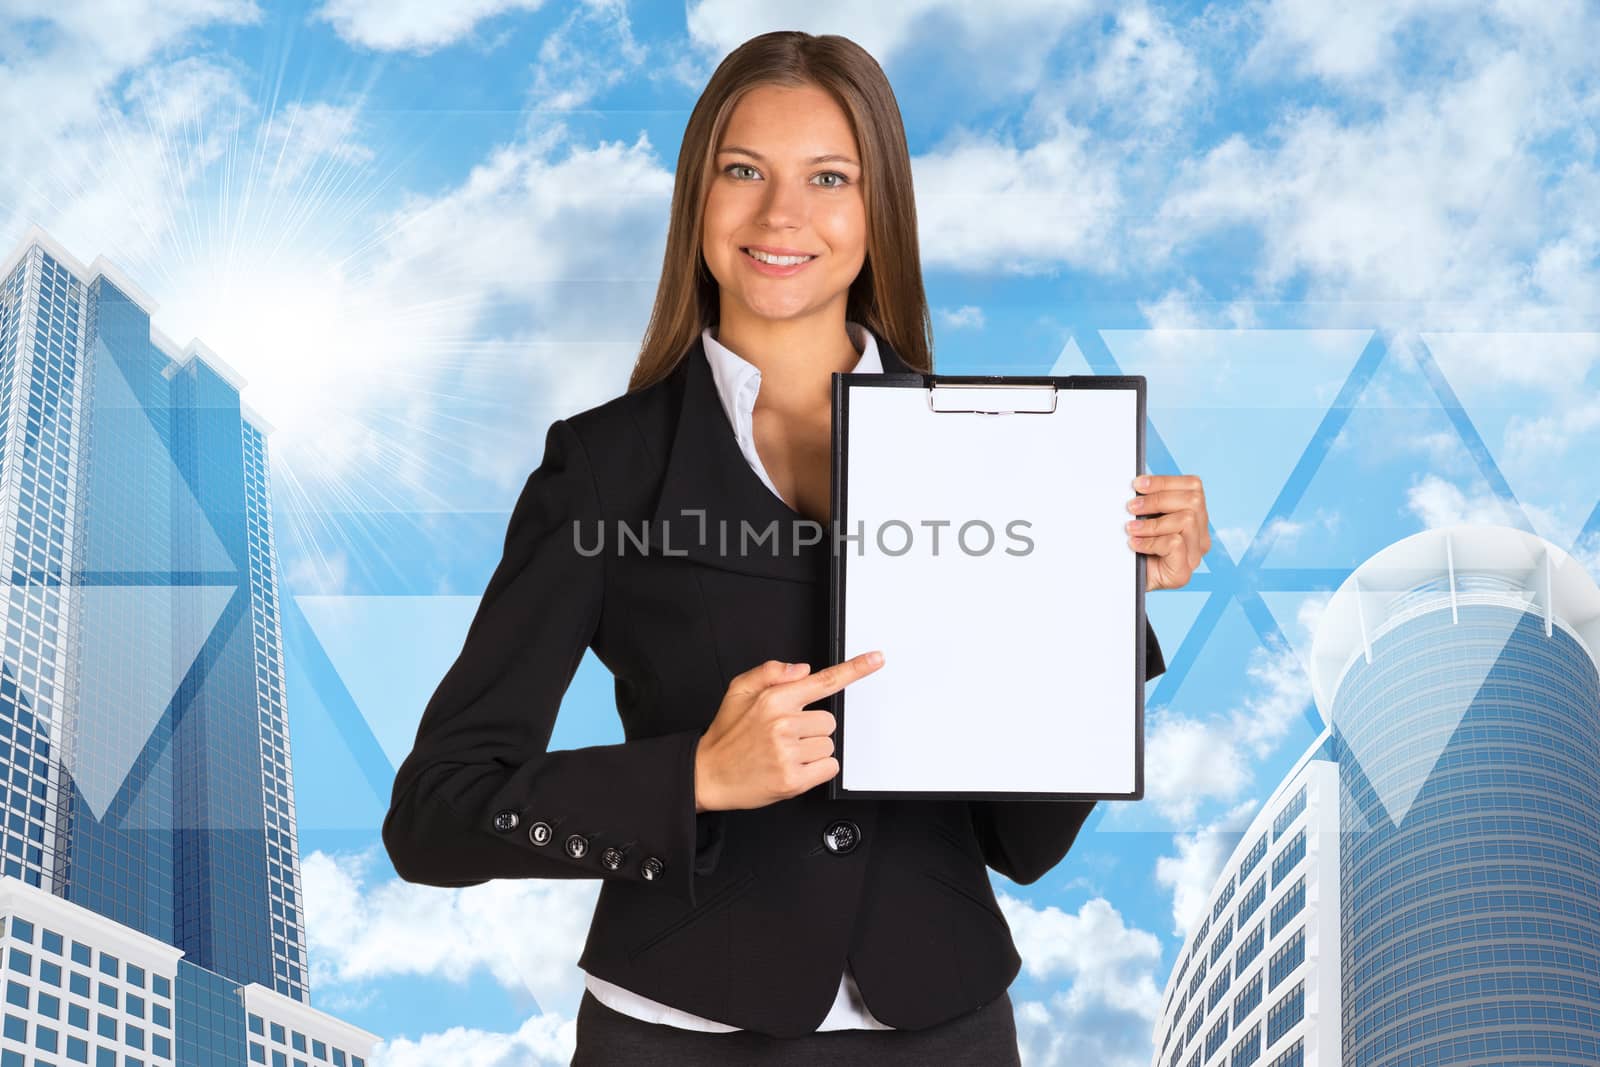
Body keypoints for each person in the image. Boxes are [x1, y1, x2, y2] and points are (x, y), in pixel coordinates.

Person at [382, 29, 1210, 1066]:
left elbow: (1024, 842)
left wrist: (1104, 597)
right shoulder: (603, 468)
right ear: (698, 197)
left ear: (879, 211)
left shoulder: (1009, 457)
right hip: (675, 1035)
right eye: (744, 171)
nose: (782, 215)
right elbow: (435, 812)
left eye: (829, 176)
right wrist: (692, 776)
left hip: (946, 1029)